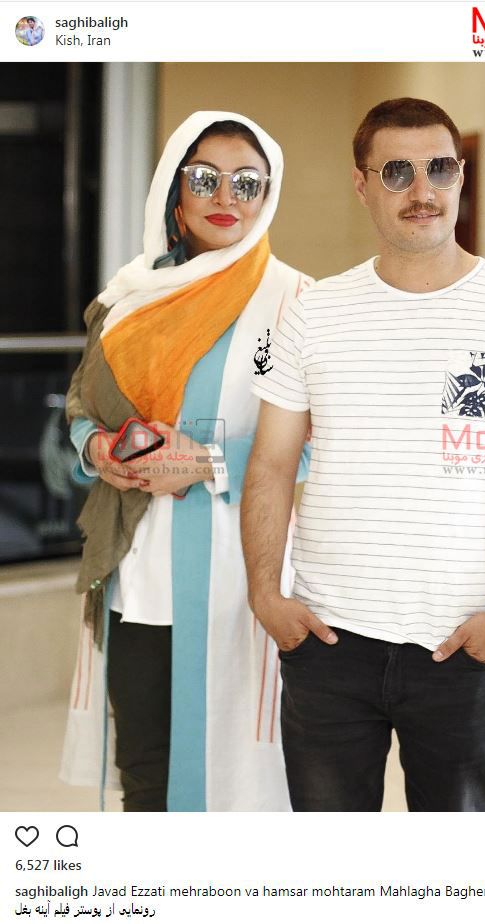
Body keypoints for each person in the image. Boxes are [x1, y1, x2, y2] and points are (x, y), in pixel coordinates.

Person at [241, 97, 485, 812]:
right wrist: (266, 595)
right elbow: (271, 464)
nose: (422, 190)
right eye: (397, 171)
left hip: (462, 641)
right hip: (329, 641)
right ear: (361, 184)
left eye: (439, 169)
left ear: (460, 176)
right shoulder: (315, 311)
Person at [60, 111, 312, 812]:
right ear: (175, 190)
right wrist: (96, 449)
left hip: (241, 574)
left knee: (240, 774)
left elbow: (324, 444)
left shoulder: (297, 302)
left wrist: (208, 463)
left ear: (268, 195)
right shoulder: (127, 299)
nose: (225, 197)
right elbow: (81, 407)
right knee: (145, 769)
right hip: (135, 575)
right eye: (205, 179)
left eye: (247, 182)